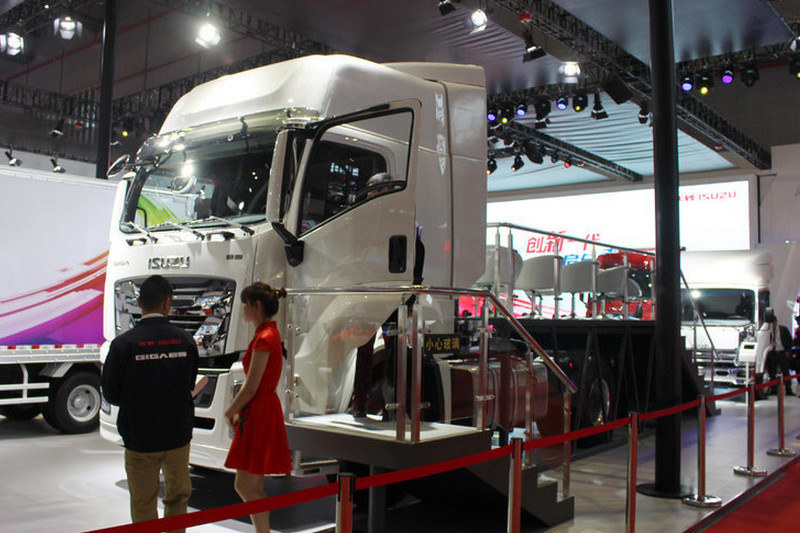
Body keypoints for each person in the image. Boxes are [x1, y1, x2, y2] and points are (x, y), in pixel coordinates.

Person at [101, 275, 199, 531]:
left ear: (139, 303)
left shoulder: (123, 344)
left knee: (143, 501)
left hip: (139, 437)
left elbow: (110, 392)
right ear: (167, 303)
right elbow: (189, 384)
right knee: (178, 497)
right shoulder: (185, 341)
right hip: (177, 435)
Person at [224, 283, 292, 533]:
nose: (242, 309)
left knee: (246, 484)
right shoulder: (267, 335)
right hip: (261, 408)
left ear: (257, 305)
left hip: (259, 410)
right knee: (252, 484)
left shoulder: (264, 338)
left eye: (246, 304)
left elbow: (251, 386)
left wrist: (229, 410)